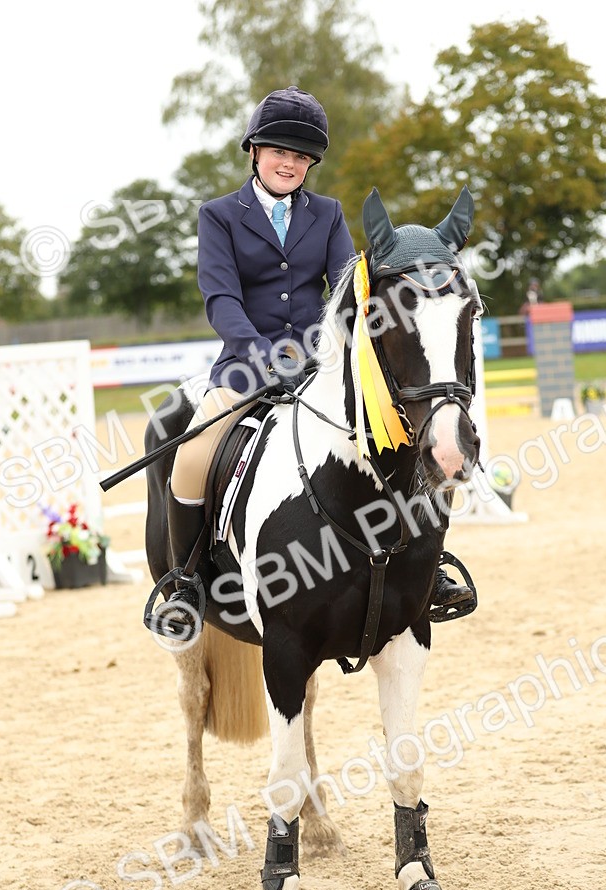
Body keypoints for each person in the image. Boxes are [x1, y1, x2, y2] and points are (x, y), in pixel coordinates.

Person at [147, 85, 471, 641]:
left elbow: (350, 288)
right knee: (191, 456)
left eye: (301, 157)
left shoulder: (327, 214)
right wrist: (262, 355)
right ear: (254, 151)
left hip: (321, 369)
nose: (290, 164)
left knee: (402, 439)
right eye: (280, 151)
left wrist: (332, 350)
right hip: (246, 370)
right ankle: (186, 584)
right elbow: (220, 299)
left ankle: (427, 568)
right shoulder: (219, 216)